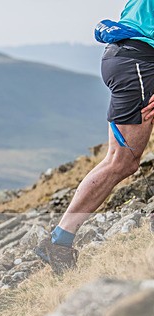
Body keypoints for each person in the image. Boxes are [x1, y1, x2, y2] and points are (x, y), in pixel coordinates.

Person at [35, 0, 154, 274]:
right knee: (121, 161)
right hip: (140, 60)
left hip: (126, 57)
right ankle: (59, 242)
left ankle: (59, 241)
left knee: (119, 159)